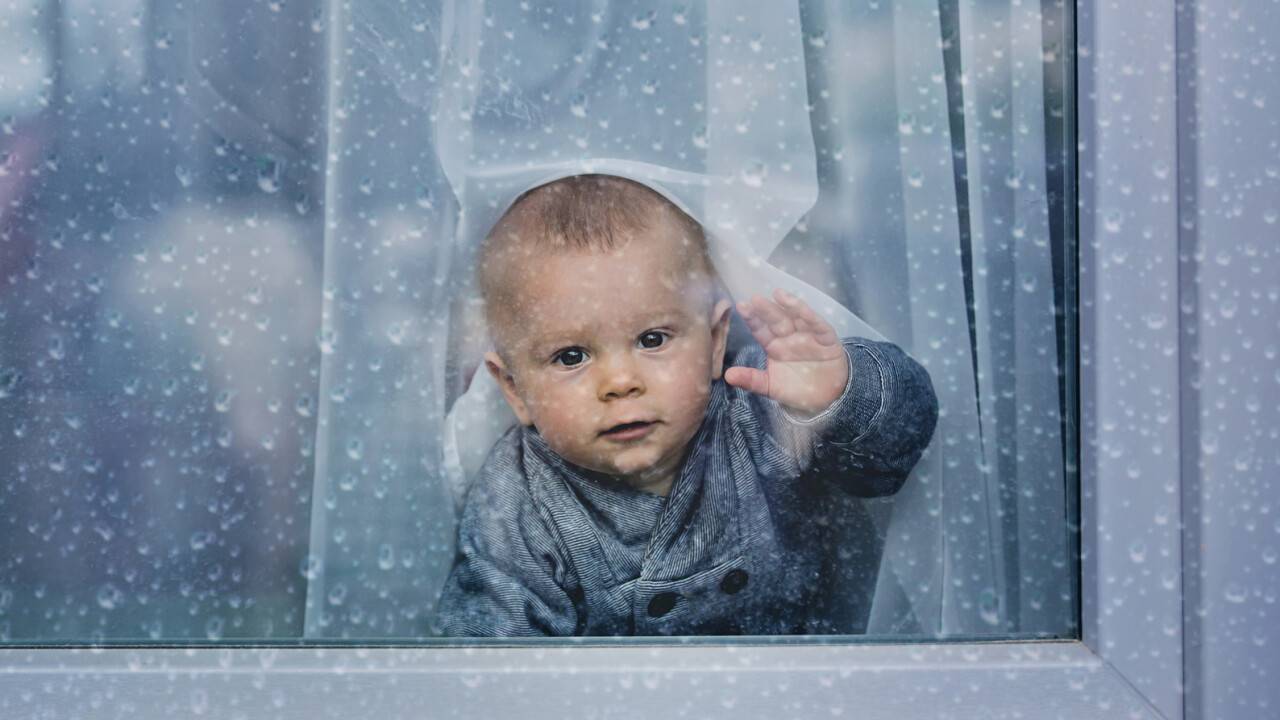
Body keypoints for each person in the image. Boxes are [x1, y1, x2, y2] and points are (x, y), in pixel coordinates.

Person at [436, 174, 938, 636]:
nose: (620, 381)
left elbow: (889, 456)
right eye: (571, 356)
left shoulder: (759, 405)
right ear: (516, 390)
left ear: (715, 342)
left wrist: (838, 394)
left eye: (652, 339)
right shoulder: (517, 500)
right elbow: (494, 654)